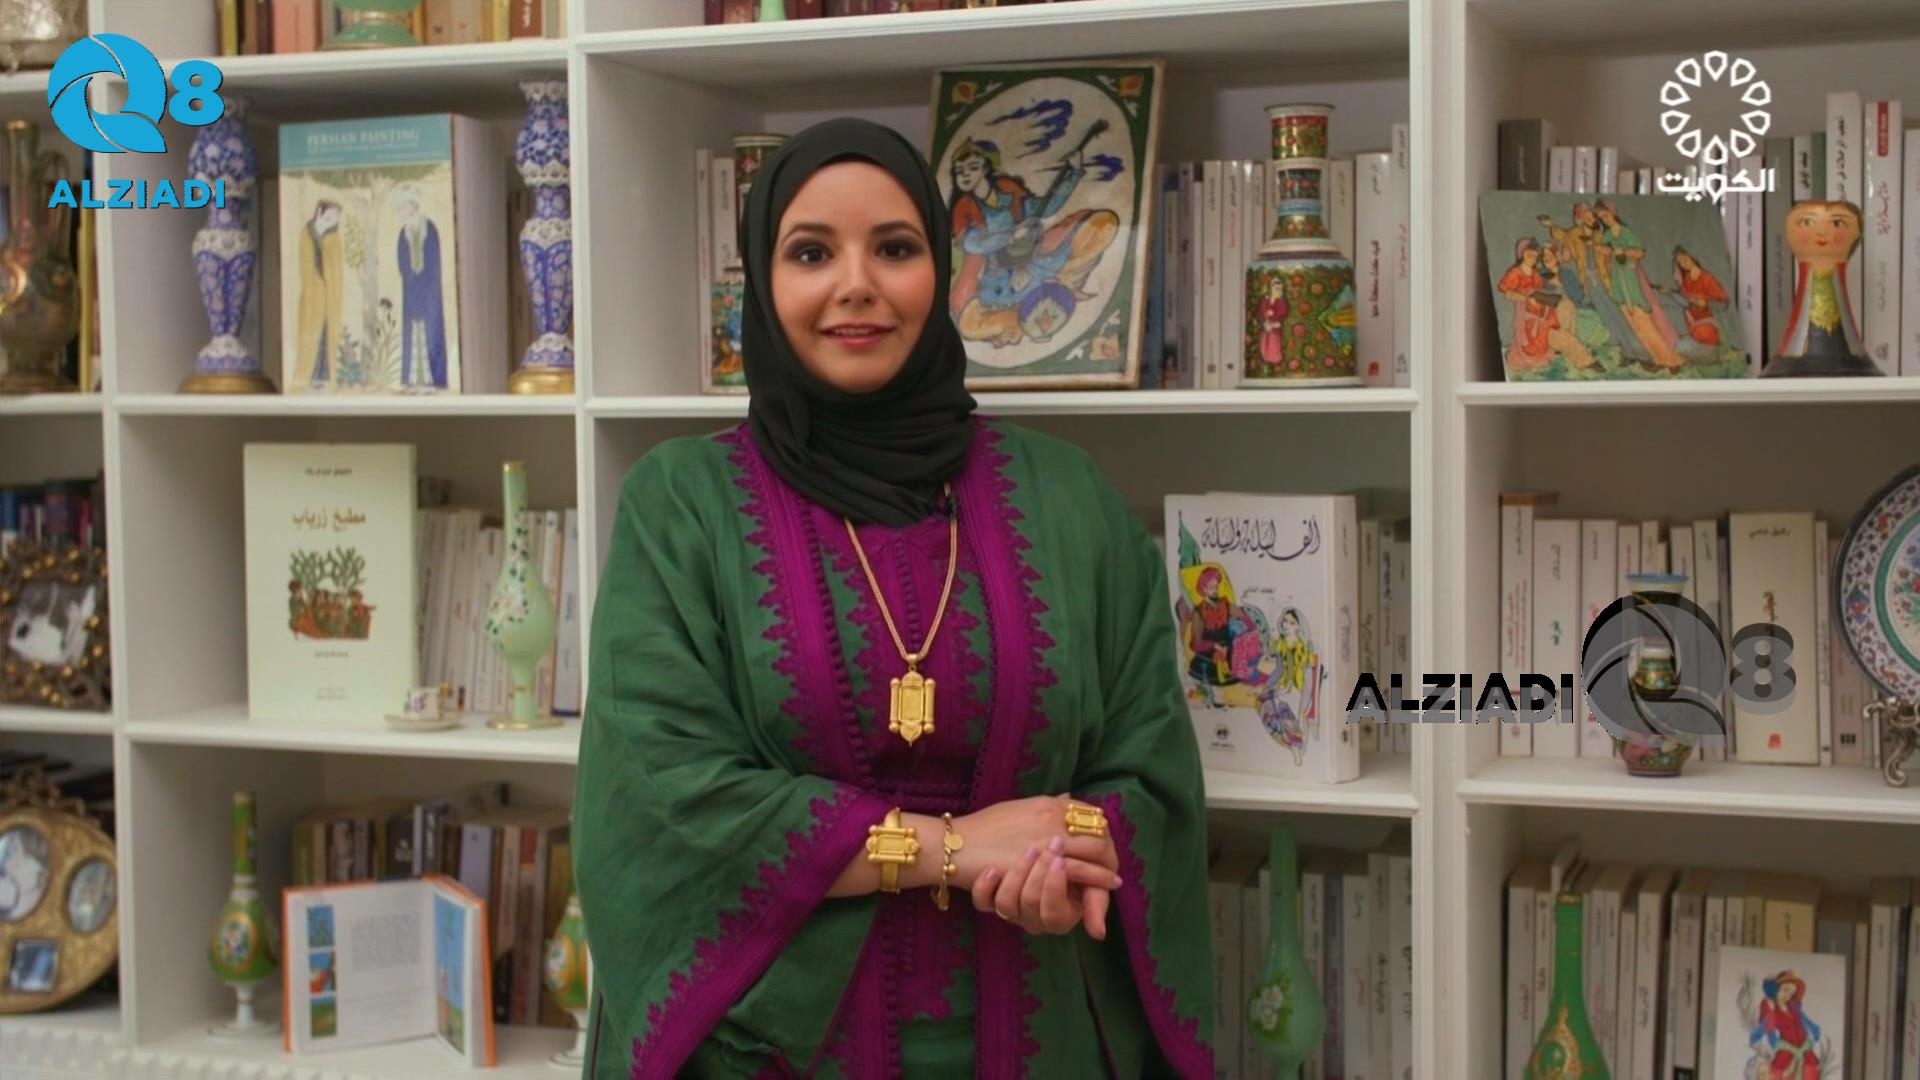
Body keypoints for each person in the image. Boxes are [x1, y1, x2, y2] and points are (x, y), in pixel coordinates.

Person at [573, 118, 1215, 1079]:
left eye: (896, 248)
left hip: (1039, 1041)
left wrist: (1066, 854)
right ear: (762, 281)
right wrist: (954, 848)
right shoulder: (682, 506)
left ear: (945, 272)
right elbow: (664, 800)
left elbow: (1150, 768)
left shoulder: (1068, 498)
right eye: (811, 253)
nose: (856, 284)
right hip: (768, 1054)